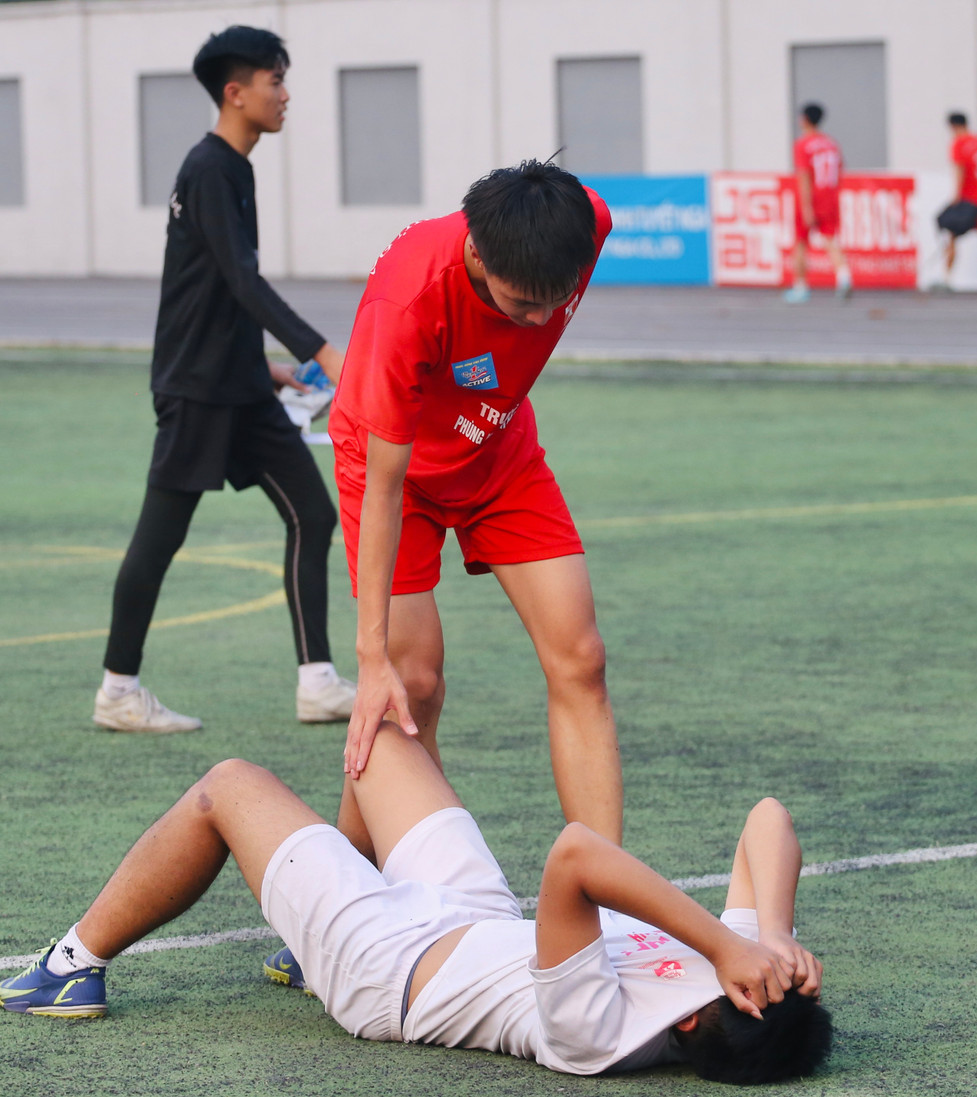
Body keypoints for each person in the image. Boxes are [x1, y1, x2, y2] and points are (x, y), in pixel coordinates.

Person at [0, 724, 831, 1084]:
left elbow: (576, 853)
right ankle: (305, 931)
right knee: (378, 737)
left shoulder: (600, 1035)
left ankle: (70, 966)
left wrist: (721, 944)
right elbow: (768, 817)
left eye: (742, 973)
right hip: (475, 918)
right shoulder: (731, 991)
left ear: (699, 1016)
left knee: (228, 785)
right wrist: (772, 932)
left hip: (385, 968)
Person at [331, 159, 623, 855]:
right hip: (394, 471)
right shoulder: (407, 304)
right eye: (522, 305)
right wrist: (371, 660)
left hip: (498, 450)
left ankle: (608, 893)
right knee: (411, 685)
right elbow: (385, 486)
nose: (542, 320)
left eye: (557, 301)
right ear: (480, 257)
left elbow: (552, 271)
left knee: (581, 658)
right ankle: (346, 886)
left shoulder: (583, 223)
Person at [92, 26, 355, 735]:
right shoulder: (210, 168)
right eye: (275, 81)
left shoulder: (233, 168)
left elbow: (215, 288)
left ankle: (318, 682)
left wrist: (268, 369)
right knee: (160, 536)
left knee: (312, 513)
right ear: (236, 93)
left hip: (238, 386)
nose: (286, 94)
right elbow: (242, 281)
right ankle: (118, 689)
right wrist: (322, 353)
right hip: (197, 391)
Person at [784, 103, 852, 303]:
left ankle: (800, 287)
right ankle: (844, 278)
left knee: (800, 243)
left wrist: (806, 207)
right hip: (829, 196)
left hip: (812, 197)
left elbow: (804, 175)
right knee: (830, 239)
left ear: (804, 119)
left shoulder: (803, 144)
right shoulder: (831, 143)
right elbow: (840, 169)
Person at [937, 112, 977, 286]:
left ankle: (946, 277)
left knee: (951, 234)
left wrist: (956, 197)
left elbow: (960, 169)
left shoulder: (959, 143)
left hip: (968, 199)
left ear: (953, 126)